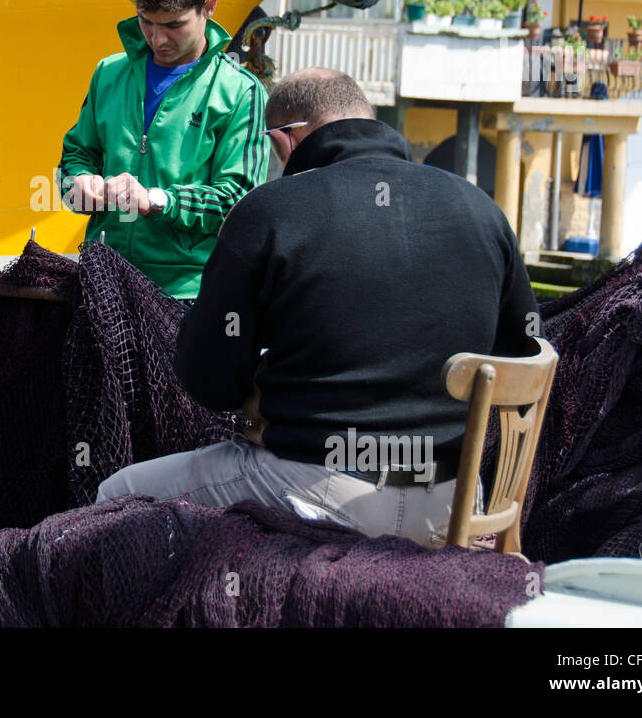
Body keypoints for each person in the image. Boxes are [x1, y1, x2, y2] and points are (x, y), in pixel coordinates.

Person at [96, 69, 538, 546]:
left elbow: (209, 380)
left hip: (316, 493)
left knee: (119, 493)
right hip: (458, 504)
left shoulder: (269, 210)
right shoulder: (481, 209)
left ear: (288, 137)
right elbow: (520, 354)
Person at [57, 0, 268, 300]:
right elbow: (77, 154)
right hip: (102, 282)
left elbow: (238, 202)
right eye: (146, 21)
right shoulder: (108, 73)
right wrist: (78, 183)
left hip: (185, 296)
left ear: (210, 6)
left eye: (173, 25)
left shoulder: (241, 93)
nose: (157, 39)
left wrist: (156, 201)